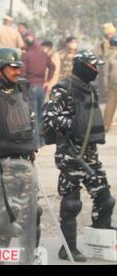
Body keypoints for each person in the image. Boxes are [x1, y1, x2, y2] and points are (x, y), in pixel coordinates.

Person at [43, 50, 115, 262]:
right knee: (72, 203)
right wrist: (73, 126)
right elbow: (49, 117)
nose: (96, 71)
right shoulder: (63, 89)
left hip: (91, 155)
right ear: (82, 66)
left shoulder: (90, 88)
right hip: (70, 154)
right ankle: (68, 249)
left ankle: (101, 240)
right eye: (93, 67)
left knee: (105, 199)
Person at [0, 48, 42, 260]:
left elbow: (30, 119)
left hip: (24, 161)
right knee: (0, 219)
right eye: (13, 67)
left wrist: (31, 146)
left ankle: (29, 258)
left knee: (32, 215)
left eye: (19, 67)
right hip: (0, 164)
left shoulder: (24, 88)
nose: (18, 71)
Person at [21, 34, 56, 148]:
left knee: (33, 116)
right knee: (41, 115)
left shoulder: (26, 55)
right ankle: (42, 140)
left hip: (31, 87)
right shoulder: (43, 54)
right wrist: (48, 80)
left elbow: (22, 73)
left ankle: (35, 142)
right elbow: (52, 67)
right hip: (41, 87)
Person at [104, 35, 117, 131]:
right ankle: (106, 125)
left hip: (113, 83)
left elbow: (106, 73)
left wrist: (106, 86)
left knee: (110, 105)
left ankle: (106, 126)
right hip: (113, 84)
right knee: (110, 106)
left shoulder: (109, 55)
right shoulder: (111, 55)